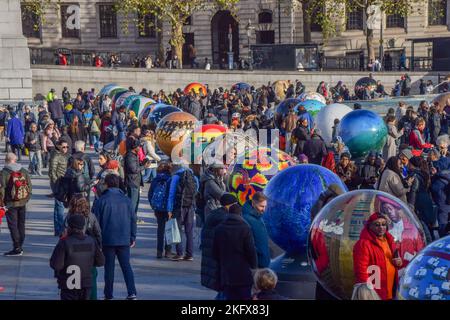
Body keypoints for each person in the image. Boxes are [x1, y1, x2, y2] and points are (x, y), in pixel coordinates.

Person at [92, 174, 137, 300]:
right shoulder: (127, 200)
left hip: (107, 239)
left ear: (106, 184)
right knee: (126, 266)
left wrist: (97, 240)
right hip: (124, 239)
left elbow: (96, 222)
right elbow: (133, 220)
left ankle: (108, 294)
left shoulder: (101, 200)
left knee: (109, 269)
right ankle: (132, 292)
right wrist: (132, 236)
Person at [50, 214, 104, 300]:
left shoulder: (65, 243)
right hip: (86, 285)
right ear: (83, 227)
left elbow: (56, 265)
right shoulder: (91, 241)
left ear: (69, 227)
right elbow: (101, 262)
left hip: (68, 286)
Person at [213, 203, 257, 300]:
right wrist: (254, 267)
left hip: (226, 274)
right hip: (243, 274)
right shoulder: (245, 228)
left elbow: (215, 252)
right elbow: (251, 250)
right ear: (240, 214)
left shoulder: (219, 228)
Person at [353, 213, 402, 300]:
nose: (381, 227)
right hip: (374, 291)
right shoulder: (363, 243)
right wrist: (368, 292)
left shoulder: (390, 240)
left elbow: (394, 260)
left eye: (383, 224)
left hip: (390, 288)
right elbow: (361, 269)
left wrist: (398, 262)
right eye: (377, 225)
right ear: (370, 226)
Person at [201, 193, 238, 299]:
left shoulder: (214, 215)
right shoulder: (224, 218)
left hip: (211, 255)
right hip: (218, 256)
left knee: (222, 288)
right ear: (228, 205)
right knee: (224, 287)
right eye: (235, 204)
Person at [0, 153, 32, 256]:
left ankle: (17, 247)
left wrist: (2, 203)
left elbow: (2, 190)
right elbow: (29, 186)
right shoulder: (24, 171)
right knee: (21, 224)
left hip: (10, 203)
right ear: (15, 160)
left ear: (6, 160)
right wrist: (26, 198)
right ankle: (20, 245)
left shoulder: (4, 173)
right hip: (22, 202)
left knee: (13, 225)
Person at [167, 164, 199, 261]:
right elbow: (196, 190)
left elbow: (171, 194)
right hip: (190, 207)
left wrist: (169, 209)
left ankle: (179, 253)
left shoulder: (176, 177)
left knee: (178, 230)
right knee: (189, 231)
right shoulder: (194, 177)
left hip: (178, 207)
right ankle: (190, 254)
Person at [147, 162, 173, 259]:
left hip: (158, 208)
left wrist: (153, 206)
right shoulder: (171, 180)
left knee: (160, 230)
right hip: (168, 208)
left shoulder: (155, 180)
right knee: (169, 229)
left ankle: (159, 251)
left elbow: (150, 194)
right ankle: (168, 251)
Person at [242, 192, 270, 269]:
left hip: (263, 262)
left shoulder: (258, 215)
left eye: (265, 206)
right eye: (261, 206)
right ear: (254, 204)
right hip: (255, 265)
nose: (264, 210)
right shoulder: (245, 219)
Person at [49, 140, 69, 236]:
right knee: (60, 206)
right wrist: (56, 184)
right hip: (58, 184)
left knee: (58, 207)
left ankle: (57, 229)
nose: (65, 148)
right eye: (64, 147)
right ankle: (60, 229)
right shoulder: (56, 156)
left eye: (67, 147)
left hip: (63, 183)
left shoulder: (65, 156)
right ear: (58, 146)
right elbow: (52, 172)